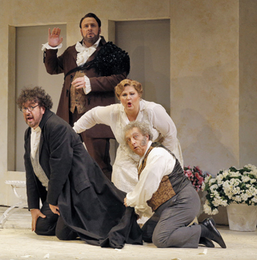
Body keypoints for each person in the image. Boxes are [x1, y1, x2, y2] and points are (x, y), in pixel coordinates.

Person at [17, 86, 142, 248]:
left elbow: (60, 167)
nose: (27, 112)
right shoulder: (28, 134)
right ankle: (67, 217)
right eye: (24, 108)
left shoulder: (56, 126)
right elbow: (31, 171)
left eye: (32, 107)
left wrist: (53, 200)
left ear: (42, 108)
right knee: (42, 227)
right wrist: (34, 207)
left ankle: (118, 216)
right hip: (59, 191)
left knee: (62, 234)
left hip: (76, 189)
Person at [43, 13, 130, 180]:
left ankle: (106, 204)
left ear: (99, 29)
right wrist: (52, 48)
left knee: (99, 163)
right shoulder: (70, 52)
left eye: (93, 25)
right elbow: (52, 68)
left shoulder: (109, 51)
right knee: (68, 161)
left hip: (95, 115)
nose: (89, 28)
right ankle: (75, 203)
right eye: (86, 26)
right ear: (81, 30)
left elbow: (120, 78)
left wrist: (91, 83)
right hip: (69, 115)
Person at [123, 121, 226, 248]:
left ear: (146, 136)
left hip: (182, 202)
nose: (132, 142)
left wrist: (131, 200)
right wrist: (138, 210)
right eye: (128, 140)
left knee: (160, 239)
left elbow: (147, 187)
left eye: (135, 136)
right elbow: (148, 194)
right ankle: (197, 236)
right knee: (146, 234)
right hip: (166, 208)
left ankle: (205, 229)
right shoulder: (143, 160)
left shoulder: (157, 154)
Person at [73, 79, 183, 194]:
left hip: (156, 151)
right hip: (128, 154)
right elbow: (93, 115)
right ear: (119, 98)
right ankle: (127, 209)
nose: (128, 98)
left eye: (132, 94)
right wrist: (74, 131)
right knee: (121, 175)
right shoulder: (114, 112)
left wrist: (163, 157)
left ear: (139, 95)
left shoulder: (152, 110)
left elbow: (171, 133)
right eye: (124, 95)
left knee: (156, 188)